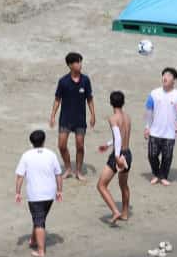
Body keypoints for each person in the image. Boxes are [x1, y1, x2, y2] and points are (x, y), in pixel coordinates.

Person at [14, 130, 64, 257]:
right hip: (50, 194)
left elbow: (20, 176)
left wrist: (18, 192)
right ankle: (33, 239)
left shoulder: (26, 155)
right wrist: (59, 190)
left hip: (35, 195)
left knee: (39, 221)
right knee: (39, 218)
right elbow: (58, 174)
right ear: (44, 141)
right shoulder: (51, 154)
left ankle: (41, 251)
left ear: (31, 142)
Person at [49, 52, 96, 181]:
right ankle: (68, 168)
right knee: (61, 145)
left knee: (80, 146)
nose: (80, 64)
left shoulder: (85, 80)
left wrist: (93, 115)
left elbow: (89, 99)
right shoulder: (63, 81)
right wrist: (52, 115)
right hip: (65, 119)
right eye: (77, 62)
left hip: (80, 119)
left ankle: (78, 171)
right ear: (70, 65)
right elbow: (57, 99)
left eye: (80, 61)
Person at [144, 68, 177, 186]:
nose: (165, 77)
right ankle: (156, 174)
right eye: (164, 75)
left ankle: (163, 176)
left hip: (169, 133)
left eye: (168, 75)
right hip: (154, 131)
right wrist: (147, 127)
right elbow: (149, 111)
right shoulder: (154, 93)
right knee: (152, 155)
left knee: (167, 157)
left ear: (174, 80)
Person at [97, 91, 132, 225]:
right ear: (123, 102)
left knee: (101, 185)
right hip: (127, 153)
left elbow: (118, 137)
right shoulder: (127, 117)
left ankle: (115, 211)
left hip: (118, 155)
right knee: (124, 185)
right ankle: (125, 213)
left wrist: (116, 156)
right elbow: (122, 137)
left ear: (111, 103)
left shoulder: (113, 118)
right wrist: (107, 144)